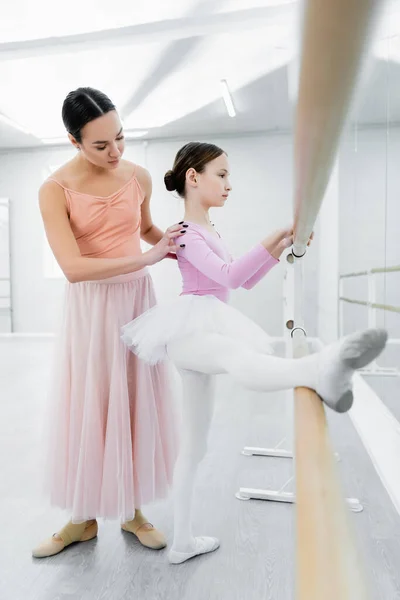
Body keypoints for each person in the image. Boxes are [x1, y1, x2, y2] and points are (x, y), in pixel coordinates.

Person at [121, 141, 388, 564]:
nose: (229, 184)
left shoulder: (209, 230)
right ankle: (319, 368)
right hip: (193, 329)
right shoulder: (187, 235)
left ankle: (183, 542)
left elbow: (240, 282)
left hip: (202, 326)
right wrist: (273, 235)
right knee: (238, 358)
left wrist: (281, 246)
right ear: (194, 177)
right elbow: (227, 274)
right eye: (221, 174)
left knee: (196, 444)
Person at [32, 87, 185, 559]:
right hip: (91, 308)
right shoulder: (53, 189)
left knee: (135, 398)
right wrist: (149, 255)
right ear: (73, 142)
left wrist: (187, 246)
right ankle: (82, 519)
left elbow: (145, 232)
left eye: (120, 137)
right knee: (93, 400)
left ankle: (133, 512)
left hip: (138, 300)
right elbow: (73, 268)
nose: (115, 151)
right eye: (101, 145)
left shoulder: (138, 176)